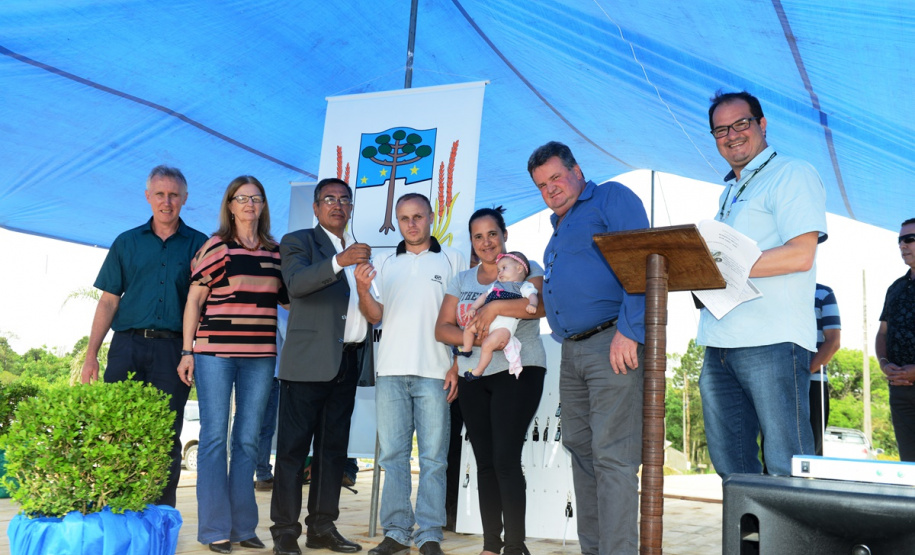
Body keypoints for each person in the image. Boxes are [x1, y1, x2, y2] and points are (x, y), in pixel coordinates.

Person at [697, 90, 827, 477]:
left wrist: (721, 268)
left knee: (787, 466)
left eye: (741, 123)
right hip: (719, 343)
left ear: (762, 124)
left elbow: (800, 255)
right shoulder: (728, 191)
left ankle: (798, 524)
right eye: (721, 130)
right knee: (732, 469)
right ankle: (748, 524)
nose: (732, 135)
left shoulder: (792, 173)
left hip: (771, 341)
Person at [527, 141, 647, 555]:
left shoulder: (610, 197)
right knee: (580, 450)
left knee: (614, 456)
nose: (551, 189)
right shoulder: (559, 226)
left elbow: (643, 259)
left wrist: (630, 329)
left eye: (556, 178)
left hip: (612, 341)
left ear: (577, 171)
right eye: (542, 185)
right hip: (572, 350)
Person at [80, 165, 207, 508]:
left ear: (185, 198)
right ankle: (117, 509)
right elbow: (108, 301)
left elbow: (206, 304)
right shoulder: (127, 242)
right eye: (160, 194)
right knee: (116, 429)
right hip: (127, 347)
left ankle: (161, 515)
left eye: (174, 195)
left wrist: (192, 352)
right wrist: (91, 356)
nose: (167, 202)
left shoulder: (201, 245)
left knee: (166, 434)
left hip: (174, 351)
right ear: (148, 197)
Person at [177, 175, 288, 553]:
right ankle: (214, 530)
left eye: (256, 198)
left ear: (263, 205)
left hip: (261, 357)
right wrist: (187, 351)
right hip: (215, 354)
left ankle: (243, 528)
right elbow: (194, 301)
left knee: (248, 440)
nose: (249, 204)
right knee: (213, 438)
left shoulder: (275, 252)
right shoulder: (216, 247)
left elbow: (289, 299)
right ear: (230, 205)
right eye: (242, 198)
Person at [355, 193, 466, 555]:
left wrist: (457, 363)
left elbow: (462, 317)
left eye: (418, 216)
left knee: (434, 458)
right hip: (390, 371)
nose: (412, 224)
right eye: (404, 218)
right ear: (397, 222)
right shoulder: (384, 262)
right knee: (393, 457)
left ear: (431, 216)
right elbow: (374, 315)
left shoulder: (453, 258)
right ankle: (397, 532)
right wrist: (362, 289)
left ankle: (430, 533)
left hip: (436, 371)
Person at [270, 178, 374, 555]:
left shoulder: (359, 250)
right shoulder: (297, 241)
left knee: (333, 452)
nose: (337, 205)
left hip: (348, 361)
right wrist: (339, 261)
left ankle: (322, 527)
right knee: (293, 452)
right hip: (306, 364)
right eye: (329, 199)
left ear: (351, 209)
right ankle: (285, 532)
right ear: (316, 208)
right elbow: (296, 284)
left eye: (344, 200)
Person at [434, 206, 546, 555]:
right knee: (484, 461)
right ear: (471, 241)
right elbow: (442, 328)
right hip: (474, 374)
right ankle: (490, 545)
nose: (486, 242)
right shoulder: (463, 280)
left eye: (492, 234)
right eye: (478, 236)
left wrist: (495, 309)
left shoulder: (527, 267)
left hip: (518, 371)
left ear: (504, 235)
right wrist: (477, 337)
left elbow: (539, 307)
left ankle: (514, 546)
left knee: (505, 459)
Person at [459, 251, 538, 379]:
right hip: (487, 323)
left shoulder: (522, 286)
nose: (500, 273)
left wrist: (533, 304)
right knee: (468, 327)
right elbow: (484, 296)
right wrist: (473, 307)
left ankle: (478, 370)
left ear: (519, 269)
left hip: (503, 329)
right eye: (498, 270)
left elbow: (532, 295)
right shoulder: (496, 286)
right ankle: (467, 349)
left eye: (504, 268)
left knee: (487, 345)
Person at [876, 218, 915, 461]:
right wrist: (884, 364)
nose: (902, 245)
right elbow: (883, 332)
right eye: (900, 240)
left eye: (909, 239)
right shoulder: (895, 288)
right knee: (909, 465)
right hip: (899, 390)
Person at [255, 306, 287, 492]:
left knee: (244, 424)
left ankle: (241, 474)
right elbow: (288, 332)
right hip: (270, 372)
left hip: (245, 370)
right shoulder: (278, 306)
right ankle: (263, 474)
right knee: (265, 428)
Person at [810, 284, 841, 455]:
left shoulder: (823, 293)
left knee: (811, 451)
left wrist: (804, 372)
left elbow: (833, 342)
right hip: (776, 383)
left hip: (813, 383)